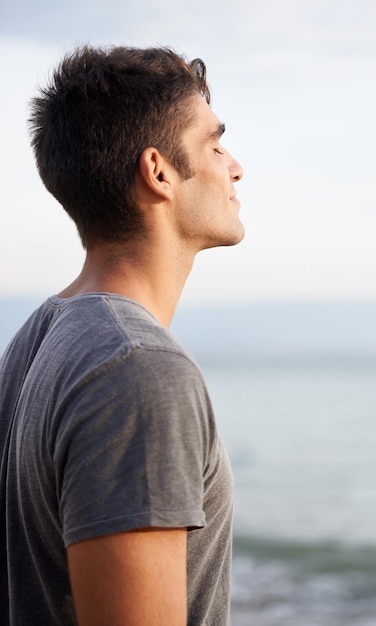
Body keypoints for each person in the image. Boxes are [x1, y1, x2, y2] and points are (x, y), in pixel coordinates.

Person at [0, 45, 244, 625]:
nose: (235, 166)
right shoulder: (138, 367)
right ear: (158, 171)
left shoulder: (37, 338)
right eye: (214, 144)